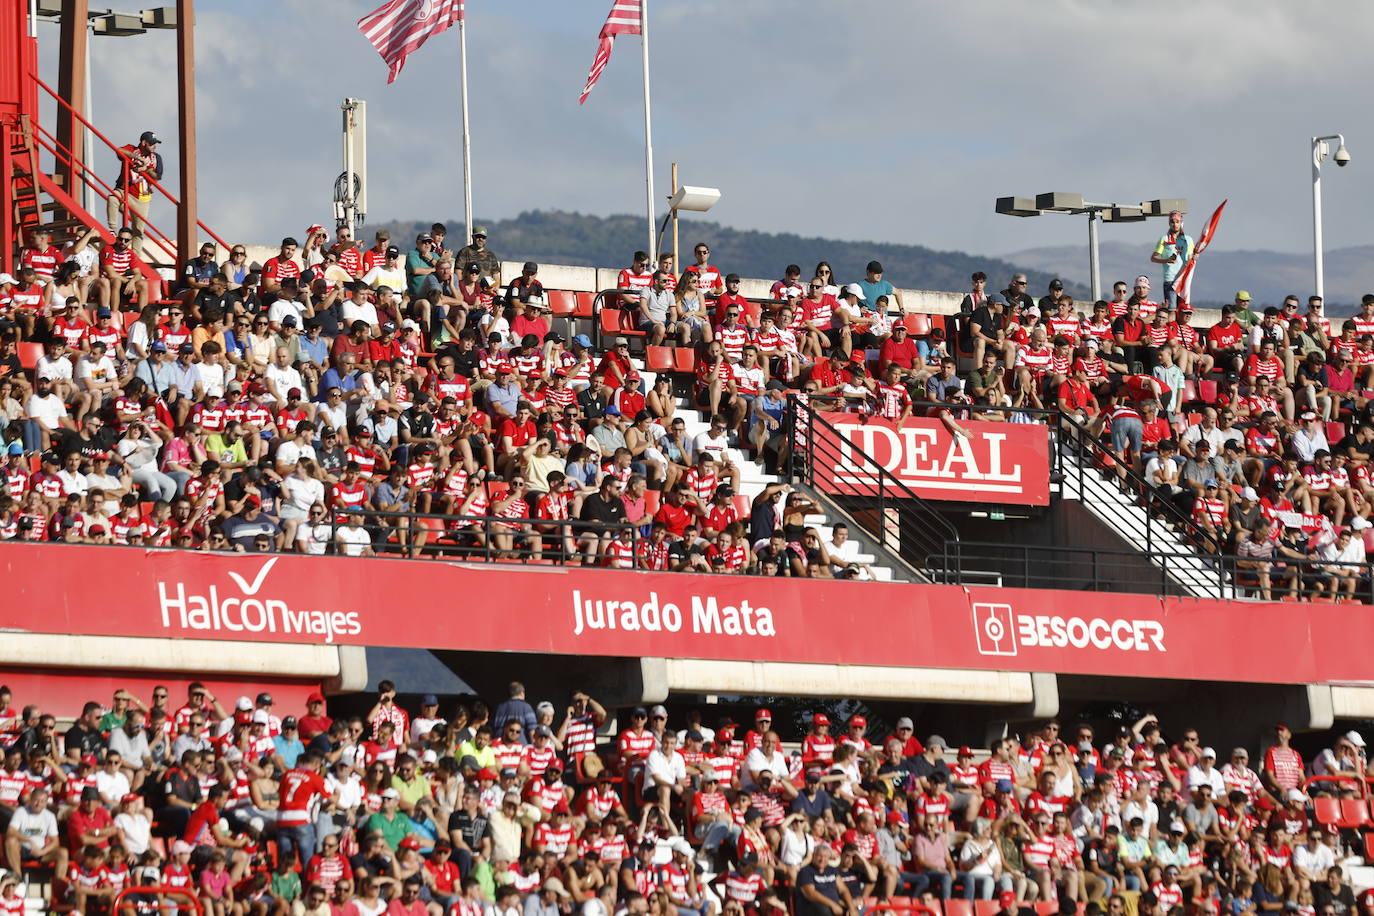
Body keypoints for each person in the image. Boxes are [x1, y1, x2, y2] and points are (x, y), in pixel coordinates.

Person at [1150, 211, 1193, 308]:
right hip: (1170, 279)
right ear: (1169, 223)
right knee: (1171, 309)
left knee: (1182, 309)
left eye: (1177, 222)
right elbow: (1153, 258)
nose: (1175, 224)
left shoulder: (1188, 240)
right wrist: (1166, 260)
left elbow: (1190, 258)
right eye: (1172, 222)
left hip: (1183, 278)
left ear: (1181, 223)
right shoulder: (1164, 239)